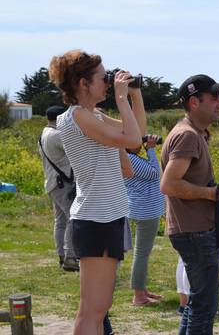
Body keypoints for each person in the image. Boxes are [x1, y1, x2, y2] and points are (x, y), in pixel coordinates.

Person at [49, 50, 145, 335]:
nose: (108, 81)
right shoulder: (77, 117)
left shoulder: (92, 115)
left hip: (107, 215)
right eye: (103, 77)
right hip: (96, 217)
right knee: (91, 310)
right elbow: (132, 140)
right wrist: (120, 98)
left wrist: (134, 95)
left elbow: (137, 131)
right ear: (82, 83)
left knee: (100, 307)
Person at [160, 74, 219, 334]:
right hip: (194, 232)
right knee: (204, 307)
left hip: (192, 229)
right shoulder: (188, 136)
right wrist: (213, 194)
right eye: (215, 97)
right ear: (195, 102)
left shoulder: (194, 133)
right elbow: (169, 184)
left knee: (197, 304)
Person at [121, 132, 165, 306]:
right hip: (145, 210)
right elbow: (155, 174)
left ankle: (142, 289)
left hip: (143, 208)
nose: (139, 143)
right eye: (135, 140)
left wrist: (147, 150)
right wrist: (151, 150)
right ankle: (138, 296)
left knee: (142, 253)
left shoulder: (130, 157)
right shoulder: (129, 159)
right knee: (141, 254)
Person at [38, 105, 79, 272]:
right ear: (59, 118)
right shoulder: (57, 135)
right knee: (73, 219)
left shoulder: (43, 133)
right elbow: (76, 149)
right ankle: (70, 258)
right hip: (63, 184)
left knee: (60, 222)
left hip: (53, 183)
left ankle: (62, 255)